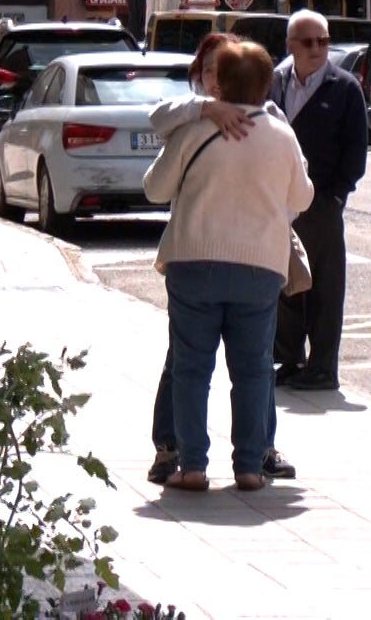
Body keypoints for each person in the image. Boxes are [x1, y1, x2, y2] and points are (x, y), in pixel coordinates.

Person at [144, 40, 315, 491]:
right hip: (259, 265)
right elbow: (303, 198)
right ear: (265, 85)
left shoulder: (194, 131)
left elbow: (155, 190)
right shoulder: (282, 136)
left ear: (218, 83)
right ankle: (250, 465)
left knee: (191, 366)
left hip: (193, 260)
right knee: (254, 367)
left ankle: (194, 465)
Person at [270, 9, 369, 392]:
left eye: (323, 41)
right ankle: (290, 358)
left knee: (325, 287)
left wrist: (338, 195)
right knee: (286, 282)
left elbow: (356, 150)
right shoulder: (275, 84)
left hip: (322, 202)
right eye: (308, 42)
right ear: (290, 45)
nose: (317, 48)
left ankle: (323, 367)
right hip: (278, 201)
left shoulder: (344, 87)